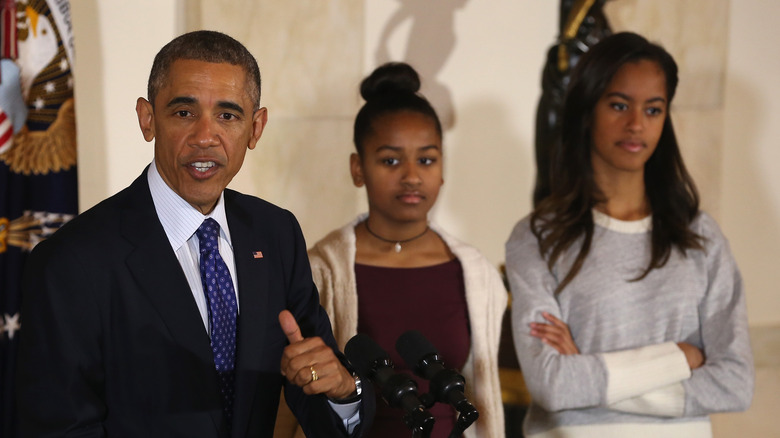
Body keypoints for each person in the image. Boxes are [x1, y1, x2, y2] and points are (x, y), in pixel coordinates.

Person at [16, 30, 373, 438]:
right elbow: (60, 427)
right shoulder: (72, 260)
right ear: (147, 119)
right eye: (184, 113)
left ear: (255, 128)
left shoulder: (275, 234)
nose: (205, 137)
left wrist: (344, 393)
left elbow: (316, 384)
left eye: (227, 115)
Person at [506, 32, 753, 437]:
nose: (636, 124)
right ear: (588, 109)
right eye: (619, 105)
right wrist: (678, 357)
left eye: (653, 110)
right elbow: (552, 385)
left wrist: (588, 367)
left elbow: (736, 383)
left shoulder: (700, 236)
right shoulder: (538, 236)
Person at [305, 62, 506, 437]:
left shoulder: (474, 273)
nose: (412, 176)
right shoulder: (321, 270)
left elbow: (481, 396)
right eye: (390, 160)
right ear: (358, 168)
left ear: (443, 168)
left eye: (426, 159)